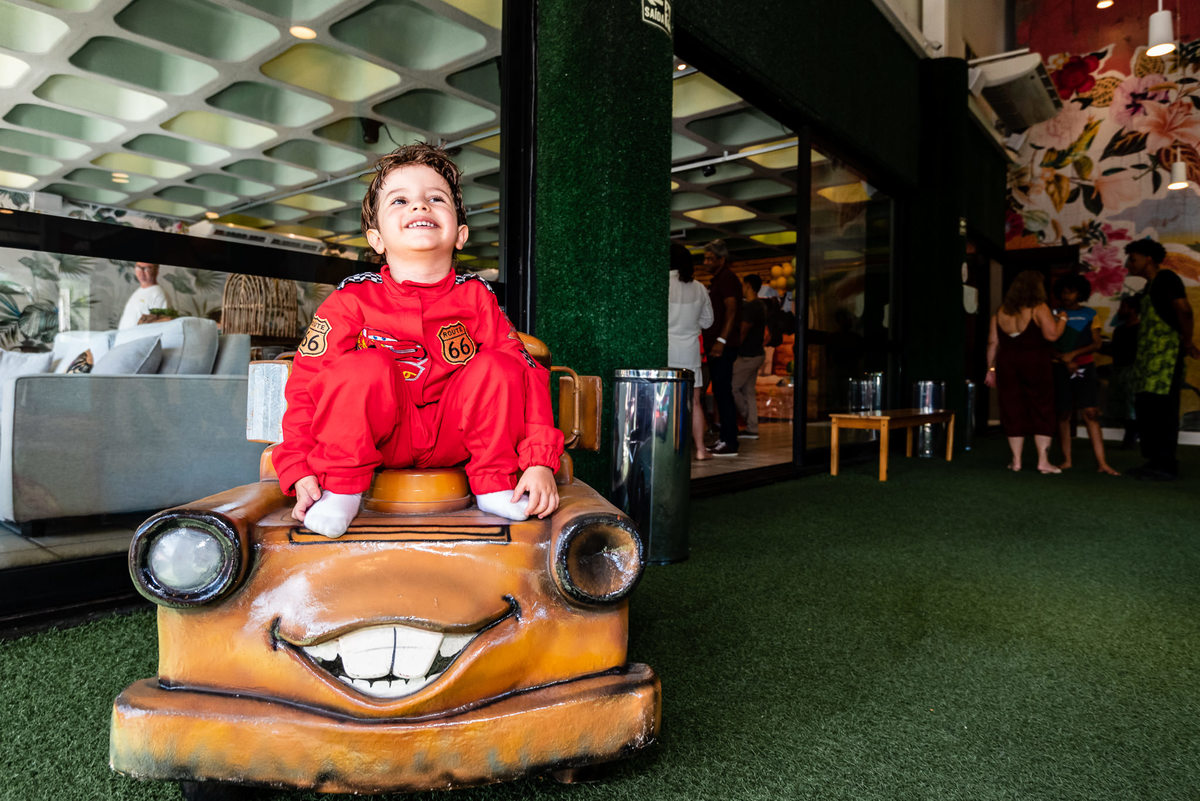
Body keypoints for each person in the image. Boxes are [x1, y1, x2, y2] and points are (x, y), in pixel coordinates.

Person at [273, 143, 563, 537]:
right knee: (362, 366)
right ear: (376, 239)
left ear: (460, 234)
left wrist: (539, 461)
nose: (420, 207)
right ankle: (341, 490)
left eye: (436, 198)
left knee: (502, 362)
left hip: (455, 436)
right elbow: (307, 385)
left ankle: (494, 483)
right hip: (382, 439)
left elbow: (527, 376)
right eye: (401, 200)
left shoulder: (477, 297)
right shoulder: (350, 299)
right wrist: (299, 466)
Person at [1124, 237, 1199, 480]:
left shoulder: (1167, 279)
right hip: (1148, 360)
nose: (1128, 263)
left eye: (1132, 258)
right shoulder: (1148, 287)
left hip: (1165, 359)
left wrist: (1187, 342)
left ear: (1148, 258)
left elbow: (1184, 310)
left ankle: (1166, 464)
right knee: (1147, 409)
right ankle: (1153, 461)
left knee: (1164, 411)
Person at [985, 269, 1068, 473]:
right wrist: (1063, 320)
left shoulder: (1001, 312)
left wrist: (991, 369)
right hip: (1035, 361)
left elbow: (992, 343)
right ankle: (1043, 461)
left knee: (1011, 409)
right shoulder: (1039, 307)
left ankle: (1017, 461)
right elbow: (1051, 336)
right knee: (1042, 407)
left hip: (1007, 363)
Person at [1050, 274, 1118, 475]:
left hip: (1085, 367)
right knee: (1063, 414)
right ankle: (1067, 460)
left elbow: (1097, 344)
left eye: (1070, 291)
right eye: (1063, 291)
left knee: (1090, 413)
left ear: (1079, 293)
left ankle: (1102, 463)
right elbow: (1047, 343)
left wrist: (1074, 355)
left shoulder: (1090, 314)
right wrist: (1064, 358)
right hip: (1059, 367)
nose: (1066, 295)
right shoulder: (1054, 313)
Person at [667, 242, 714, 461]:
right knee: (694, 402)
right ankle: (701, 449)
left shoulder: (663, 285)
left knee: (665, 400)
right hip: (690, 351)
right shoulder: (700, 288)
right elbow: (708, 321)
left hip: (666, 350)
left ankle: (670, 449)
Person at [701, 239, 742, 456]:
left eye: (710, 258)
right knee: (719, 392)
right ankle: (725, 438)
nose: (706, 262)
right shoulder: (718, 279)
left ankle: (730, 441)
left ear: (721, 259)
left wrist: (721, 340)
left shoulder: (727, 279)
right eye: (705, 258)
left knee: (723, 392)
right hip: (717, 344)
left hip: (723, 346)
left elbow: (732, 310)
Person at [731, 274, 766, 439]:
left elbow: (743, 330)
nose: (741, 289)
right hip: (757, 353)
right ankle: (753, 427)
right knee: (748, 391)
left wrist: (733, 347)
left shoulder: (751, 307)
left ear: (749, 286)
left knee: (731, 387)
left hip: (748, 355)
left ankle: (748, 418)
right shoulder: (760, 305)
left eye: (743, 285)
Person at [117, 262, 170, 329]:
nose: (141, 272)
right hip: (123, 338)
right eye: (138, 267)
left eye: (146, 268)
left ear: (156, 271)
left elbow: (160, 326)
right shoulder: (138, 291)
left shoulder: (159, 295)